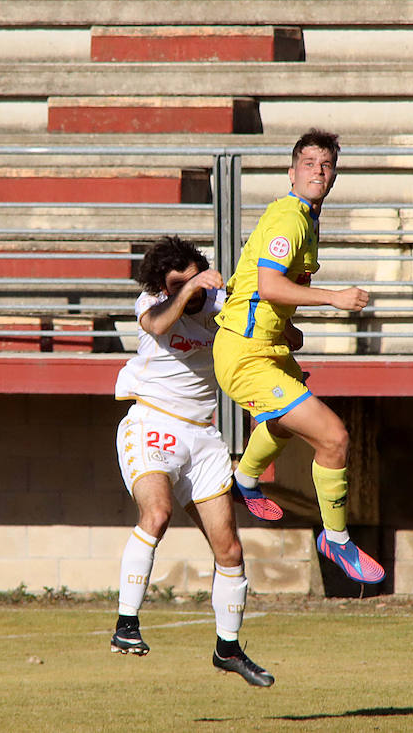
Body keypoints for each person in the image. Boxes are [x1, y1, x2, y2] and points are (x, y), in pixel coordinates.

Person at [212, 129, 384, 585]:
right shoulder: (291, 219)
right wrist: (334, 298)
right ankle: (336, 540)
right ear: (291, 172)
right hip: (245, 355)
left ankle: (245, 479)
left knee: (287, 421)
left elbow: (255, 285)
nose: (317, 171)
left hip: (264, 346)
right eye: (308, 163)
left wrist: (285, 327)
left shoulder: (306, 218)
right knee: (333, 438)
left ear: (334, 177)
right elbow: (269, 285)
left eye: (325, 165)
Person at [110, 236, 274, 687]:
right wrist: (185, 289)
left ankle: (229, 647)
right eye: (178, 281)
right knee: (157, 513)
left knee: (231, 550)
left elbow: (263, 331)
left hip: (203, 436)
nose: (191, 286)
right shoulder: (155, 302)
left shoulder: (226, 303)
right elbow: (159, 325)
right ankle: (126, 624)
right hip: (152, 423)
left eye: (195, 273)